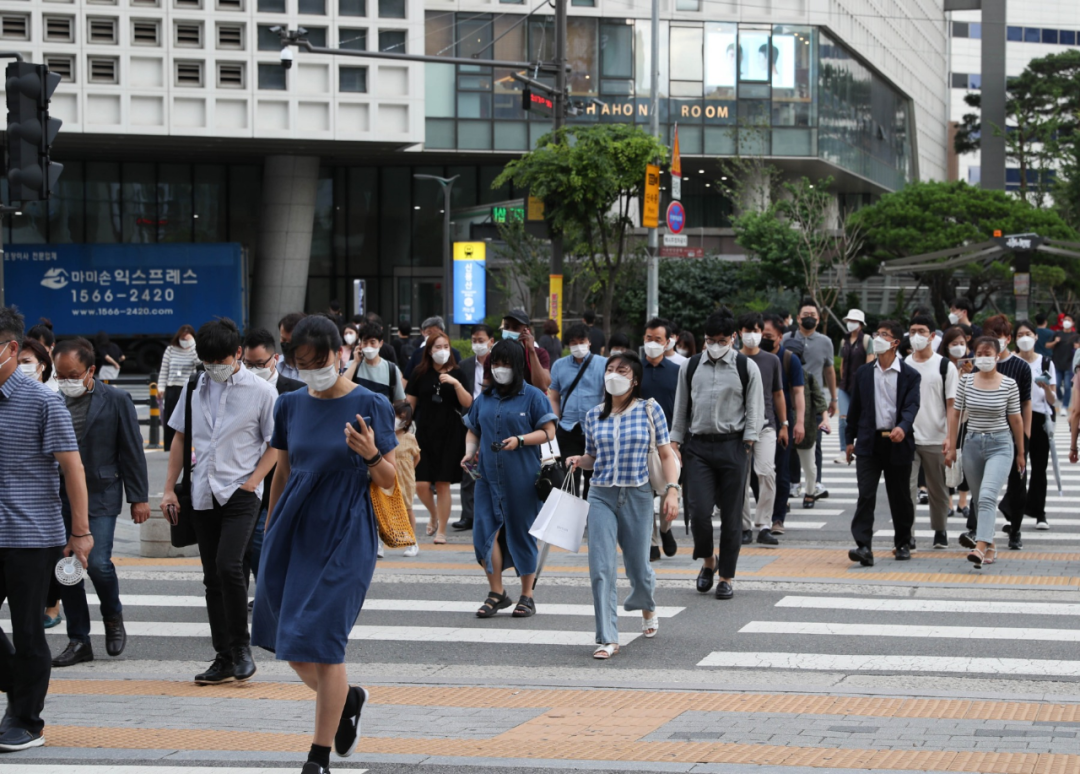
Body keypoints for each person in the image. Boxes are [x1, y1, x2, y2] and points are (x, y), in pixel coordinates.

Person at [252, 314, 397, 774]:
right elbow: (284, 470)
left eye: (318, 361)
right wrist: (272, 527)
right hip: (295, 527)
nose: (310, 370)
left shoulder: (371, 404)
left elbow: (391, 482)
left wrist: (370, 454)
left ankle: (318, 758)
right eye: (300, 363)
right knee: (290, 644)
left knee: (325, 643)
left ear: (341, 354)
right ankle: (348, 699)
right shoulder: (290, 404)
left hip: (347, 530)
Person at [161, 317, 277, 686]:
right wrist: (167, 489)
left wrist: (255, 482)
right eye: (207, 361)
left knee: (229, 566)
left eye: (219, 361)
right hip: (202, 493)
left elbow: (277, 443)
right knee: (213, 578)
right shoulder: (196, 385)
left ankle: (241, 649)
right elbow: (179, 438)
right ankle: (223, 656)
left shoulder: (261, 391)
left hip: (241, 492)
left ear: (237, 354)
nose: (213, 368)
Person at [0, 306, 92, 752]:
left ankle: (27, 720)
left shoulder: (42, 400)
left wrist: (80, 533)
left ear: (11, 349)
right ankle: (19, 686)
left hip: (31, 537)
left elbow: (72, 468)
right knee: (23, 645)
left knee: (28, 630)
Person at [567, 352, 680, 659]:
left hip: (637, 495)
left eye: (622, 371)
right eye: (610, 370)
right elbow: (593, 457)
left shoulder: (649, 409)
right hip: (600, 495)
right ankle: (607, 637)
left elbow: (666, 454)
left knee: (638, 567)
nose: (613, 375)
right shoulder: (593, 416)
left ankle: (647, 605)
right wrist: (580, 460)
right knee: (601, 568)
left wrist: (672, 490)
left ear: (635, 380)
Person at [49, 337, 149, 668]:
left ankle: (113, 616)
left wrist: (138, 498)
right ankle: (79, 639)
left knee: (100, 562)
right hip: (58, 495)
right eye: (59, 375)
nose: (65, 382)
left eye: (72, 374)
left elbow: (132, 450)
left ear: (91, 370)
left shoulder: (117, 399)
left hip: (102, 492)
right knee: (69, 568)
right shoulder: (49, 400)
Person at [671, 312, 764, 601]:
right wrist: (675, 442)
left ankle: (726, 577)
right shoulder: (690, 366)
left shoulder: (745, 366)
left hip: (733, 445)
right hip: (697, 447)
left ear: (732, 339)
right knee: (697, 511)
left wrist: (747, 443)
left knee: (732, 515)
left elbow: (755, 409)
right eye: (710, 340)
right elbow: (681, 406)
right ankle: (708, 561)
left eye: (721, 341)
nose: (715, 345)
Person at [463, 340, 556, 620]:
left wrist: (521, 440)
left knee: (522, 534)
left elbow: (549, 431)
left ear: (517, 366)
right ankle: (497, 593)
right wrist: (469, 453)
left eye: (505, 364)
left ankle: (527, 596)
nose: (500, 369)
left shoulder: (533, 396)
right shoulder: (485, 398)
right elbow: (473, 429)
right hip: (487, 479)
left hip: (522, 479)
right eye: (496, 363)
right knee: (484, 536)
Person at [845, 320, 921, 567]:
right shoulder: (865, 373)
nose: (877, 338)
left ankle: (902, 542)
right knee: (866, 494)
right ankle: (863, 546)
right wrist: (848, 440)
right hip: (868, 443)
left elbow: (912, 406)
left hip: (898, 442)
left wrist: (903, 426)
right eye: (877, 334)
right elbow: (854, 409)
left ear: (895, 343)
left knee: (900, 497)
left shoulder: (910, 375)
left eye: (884, 335)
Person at [947, 337, 1024, 569]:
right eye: (979, 353)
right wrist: (952, 446)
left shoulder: (1009, 384)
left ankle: (979, 547)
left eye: (988, 353)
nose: (983, 357)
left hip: (1000, 444)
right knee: (980, 498)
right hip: (971, 444)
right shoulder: (966, 382)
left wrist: (1021, 452)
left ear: (997, 356)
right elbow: (955, 414)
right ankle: (990, 546)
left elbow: (1017, 420)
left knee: (989, 495)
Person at [241, 328, 304, 598]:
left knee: (262, 539)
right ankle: (240, 599)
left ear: (275, 359)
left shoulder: (296, 392)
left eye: (260, 364)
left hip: (283, 478)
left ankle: (272, 593)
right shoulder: (238, 389)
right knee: (242, 546)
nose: (254, 370)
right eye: (248, 364)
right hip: (244, 479)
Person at [406, 330, 472, 543]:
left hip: (450, 434)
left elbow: (467, 402)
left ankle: (441, 530)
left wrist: (455, 383)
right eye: (437, 347)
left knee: (443, 483)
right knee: (421, 484)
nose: (442, 351)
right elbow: (409, 404)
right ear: (429, 350)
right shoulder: (419, 373)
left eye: (445, 347)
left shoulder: (458, 373)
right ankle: (433, 514)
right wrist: (403, 428)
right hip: (424, 433)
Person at [975, 314, 1032, 551]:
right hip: (984, 433)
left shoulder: (1020, 367)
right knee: (982, 485)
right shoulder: (981, 364)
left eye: (997, 337)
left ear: (1008, 339)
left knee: (1017, 483)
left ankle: (1015, 529)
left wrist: (1026, 436)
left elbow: (1026, 402)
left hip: (1014, 433)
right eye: (989, 337)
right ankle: (978, 531)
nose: (993, 343)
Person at [904, 315, 958, 550]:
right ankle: (908, 533)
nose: (917, 335)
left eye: (922, 331)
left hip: (937, 436)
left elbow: (951, 404)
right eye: (913, 330)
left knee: (938, 489)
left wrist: (950, 436)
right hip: (908, 437)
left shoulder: (944, 365)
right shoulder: (904, 363)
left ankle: (940, 530)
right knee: (907, 489)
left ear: (933, 336)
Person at [737, 312, 785, 545]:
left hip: (766, 425)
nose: (753, 335)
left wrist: (784, 424)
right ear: (739, 333)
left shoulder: (771, 360)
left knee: (767, 472)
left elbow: (778, 393)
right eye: (748, 330)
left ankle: (764, 524)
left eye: (757, 330)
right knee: (740, 478)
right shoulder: (732, 359)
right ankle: (744, 526)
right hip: (737, 428)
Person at [783, 300, 837, 499]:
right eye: (805, 314)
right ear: (797, 318)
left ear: (819, 318)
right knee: (791, 444)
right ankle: (793, 482)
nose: (809, 318)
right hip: (790, 400)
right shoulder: (786, 339)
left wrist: (834, 398)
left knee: (816, 442)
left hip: (814, 401)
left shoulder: (825, 342)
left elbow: (829, 371)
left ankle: (816, 482)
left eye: (813, 315)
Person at [548, 323, 607, 497]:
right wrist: (555, 421)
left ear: (589, 342)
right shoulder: (559, 365)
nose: (578, 345)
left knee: (594, 478)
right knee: (568, 479)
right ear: (568, 345)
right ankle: (570, 520)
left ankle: (591, 515)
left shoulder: (604, 364)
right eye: (573, 342)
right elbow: (554, 396)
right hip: (568, 428)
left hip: (596, 429)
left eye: (581, 341)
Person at [640, 318, 682, 559]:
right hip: (639, 443)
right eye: (648, 338)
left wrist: (679, 443)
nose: (652, 343)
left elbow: (684, 409)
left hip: (669, 444)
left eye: (658, 339)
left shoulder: (678, 371)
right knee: (644, 495)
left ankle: (666, 530)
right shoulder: (633, 370)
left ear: (667, 343)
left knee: (669, 491)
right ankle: (652, 541)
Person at [761, 314, 804, 535]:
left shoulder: (788, 359)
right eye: (761, 334)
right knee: (757, 472)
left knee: (781, 470)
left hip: (781, 421)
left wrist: (798, 423)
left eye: (768, 336)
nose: (763, 339)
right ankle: (766, 511)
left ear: (779, 337)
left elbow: (798, 392)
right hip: (755, 421)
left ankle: (778, 518)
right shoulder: (752, 358)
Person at [1014, 320, 1056, 531]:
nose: (1025, 337)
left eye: (1028, 333)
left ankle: (1039, 512)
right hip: (1015, 418)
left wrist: (1046, 388)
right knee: (1017, 468)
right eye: (1020, 334)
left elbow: (1053, 400)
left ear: (1036, 336)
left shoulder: (1046, 363)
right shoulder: (1011, 361)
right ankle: (1015, 512)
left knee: (1039, 468)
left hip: (1040, 418)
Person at [452, 324, 494, 532]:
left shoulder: (498, 364)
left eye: (482, 340)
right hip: (470, 419)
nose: (478, 344)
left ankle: (492, 512)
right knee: (468, 465)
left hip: (493, 419)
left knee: (492, 464)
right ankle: (468, 514)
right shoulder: (465, 365)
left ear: (491, 341)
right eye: (475, 340)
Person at [785, 338, 828, 510]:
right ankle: (783, 498)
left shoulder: (808, 378)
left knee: (809, 465)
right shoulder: (777, 374)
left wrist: (825, 419)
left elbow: (819, 400)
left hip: (806, 429)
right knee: (782, 466)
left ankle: (810, 492)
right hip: (783, 428)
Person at [836, 309, 874, 465]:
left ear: (861, 324)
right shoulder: (843, 341)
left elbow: (869, 362)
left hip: (860, 387)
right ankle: (843, 450)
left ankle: (861, 448)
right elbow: (842, 363)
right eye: (849, 321)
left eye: (854, 321)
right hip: (845, 385)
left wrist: (864, 384)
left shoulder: (867, 340)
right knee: (843, 419)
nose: (851, 324)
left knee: (863, 418)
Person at [484, 309, 552, 391]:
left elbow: (543, 386)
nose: (509, 331)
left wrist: (531, 351)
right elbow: (485, 389)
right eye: (506, 327)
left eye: (515, 327)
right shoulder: (494, 356)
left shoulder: (539, 354)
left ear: (527, 330)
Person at [160, 324, 199, 452]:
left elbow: (199, 363)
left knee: (188, 419)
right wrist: (160, 388)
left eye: (187, 338)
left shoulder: (195, 350)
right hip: (173, 388)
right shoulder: (171, 349)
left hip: (189, 388)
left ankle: (187, 447)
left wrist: (192, 345)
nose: (184, 341)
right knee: (171, 419)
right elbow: (164, 369)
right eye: (183, 338)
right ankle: (170, 448)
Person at [344, 323, 405, 403]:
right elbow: (341, 389)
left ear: (381, 343)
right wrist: (355, 362)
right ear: (360, 344)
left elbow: (399, 401)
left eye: (373, 343)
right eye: (365, 343)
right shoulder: (352, 365)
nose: (369, 346)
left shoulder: (391, 369)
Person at [392, 400, 421, 557]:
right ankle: (380, 542)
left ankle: (412, 542)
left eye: (402, 417)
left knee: (407, 509)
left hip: (405, 479)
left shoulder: (409, 437)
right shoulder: (383, 434)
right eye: (395, 415)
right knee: (382, 508)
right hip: (387, 477)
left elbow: (417, 457)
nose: (397, 419)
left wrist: (409, 470)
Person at [403, 316, 461, 380]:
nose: (433, 336)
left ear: (442, 332)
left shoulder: (453, 353)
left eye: (436, 333)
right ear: (423, 333)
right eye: (429, 333)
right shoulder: (417, 353)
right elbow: (406, 378)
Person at [1048, 313, 1078, 411]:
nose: (1066, 322)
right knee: (1056, 384)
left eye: (1069, 320)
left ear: (1073, 323)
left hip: (1069, 365)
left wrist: (1077, 347)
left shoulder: (1075, 336)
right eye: (1065, 319)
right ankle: (1061, 399)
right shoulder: (1057, 334)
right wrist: (1055, 342)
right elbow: (1047, 345)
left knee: (1067, 386)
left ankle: (1065, 406)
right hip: (1057, 363)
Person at [26, 320, 58, 393]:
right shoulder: (27, 369)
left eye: (40, 348)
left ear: (52, 346)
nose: (36, 352)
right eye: (32, 349)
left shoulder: (62, 371)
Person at [278, 312, 307, 381]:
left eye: (292, 341)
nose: (287, 344)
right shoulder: (273, 366)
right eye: (283, 339)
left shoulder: (314, 371)